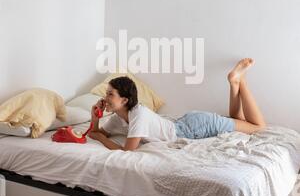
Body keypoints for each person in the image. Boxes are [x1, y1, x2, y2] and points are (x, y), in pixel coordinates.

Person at [88, 58, 266, 151]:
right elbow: (96, 133)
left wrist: (102, 138)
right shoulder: (118, 117)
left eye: (110, 94)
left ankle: (240, 81)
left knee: (258, 127)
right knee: (237, 121)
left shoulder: (138, 114)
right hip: (185, 123)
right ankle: (234, 82)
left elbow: (127, 151)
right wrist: (95, 117)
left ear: (124, 100)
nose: (105, 97)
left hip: (194, 128)